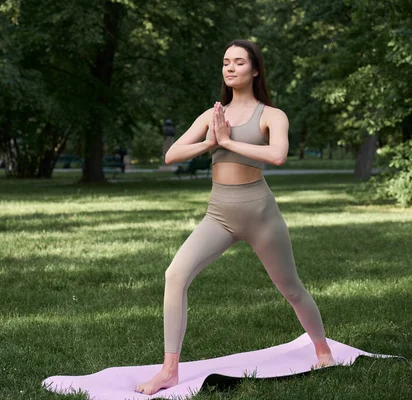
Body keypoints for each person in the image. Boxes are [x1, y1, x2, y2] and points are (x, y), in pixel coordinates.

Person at [135, 39, 335, 395]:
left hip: (260, 214)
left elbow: (277, 156)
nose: (230, 68)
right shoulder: (214, 115)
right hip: (219, 214)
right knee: (175, 274)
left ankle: (323, 351)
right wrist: (210, 142)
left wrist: (227, 141)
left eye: (239, 62)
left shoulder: (272, 115)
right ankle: (168, 370)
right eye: (226, 61)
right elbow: (172, 154)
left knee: (290, 288)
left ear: (255, 70)